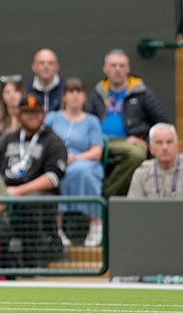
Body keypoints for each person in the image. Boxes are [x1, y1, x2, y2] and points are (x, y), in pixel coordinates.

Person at [0, 94, 68, 267]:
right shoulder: (8, 139)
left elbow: (53, 177)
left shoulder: (53, 141)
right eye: (27, 112)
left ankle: (30, 264)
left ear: (43, 114)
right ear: (18, 114)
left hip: (38, 195)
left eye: (36, 112)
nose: (32, 116)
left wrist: (19, 191)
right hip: (5, 190)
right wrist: (2, 191)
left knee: (30, 201)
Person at [86, 49, 168, 197]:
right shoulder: (97, 93)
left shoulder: (142, 92)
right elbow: (86, 120)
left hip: (130, 142)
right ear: (105, 69)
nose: (117, 69)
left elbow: (162, 124)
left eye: (122, 66)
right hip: (101, 142)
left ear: (128, 69)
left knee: (136, 155)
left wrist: (145, 141)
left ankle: (105, 196)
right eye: (113, 65)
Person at [44, 78, 104, 247]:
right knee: (56, 174)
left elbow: (97, 151)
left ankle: (96, 222)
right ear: (64, 96)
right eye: (71, 92)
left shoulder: (92, 121)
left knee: (83, 172)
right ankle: (57, 228)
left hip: (84, 161)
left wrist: (77, 158)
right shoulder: (52, 118)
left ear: (84, 96)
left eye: (79, 92)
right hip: (56, 162)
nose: (75, 96)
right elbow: (42, 142)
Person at [127, 123, 182, 199]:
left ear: (177, 146)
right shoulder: (141, 173)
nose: (165, 147)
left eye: (169, 142)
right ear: (151, 149)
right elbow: (133, 205)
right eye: (159, 142)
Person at [0, 74, 25, 160]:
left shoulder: (31, 120)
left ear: (22, 93)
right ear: (2, 96)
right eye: (7, 92)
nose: (12, 95)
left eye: (16, 91)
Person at [28, 48, 63, 112]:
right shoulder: (26, 91)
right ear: (33, 67)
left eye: (50, 63)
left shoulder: (66, 90)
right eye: (41, 63)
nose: (46, 67)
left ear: (57, 67)